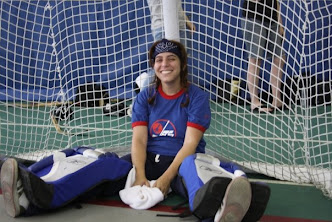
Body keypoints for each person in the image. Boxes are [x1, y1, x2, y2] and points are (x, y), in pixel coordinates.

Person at [122, 38, 270, 222]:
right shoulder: (145, 96)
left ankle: (228, 205)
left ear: (183, 64)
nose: (164, 64)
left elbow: (190, 144)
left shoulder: (197, 97)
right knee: (110, 165)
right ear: (153, 65)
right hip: (149, 161)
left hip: (181, 163)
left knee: (196, 175)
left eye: (171, 59)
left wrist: (166, 178)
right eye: (159, 60)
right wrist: (140, 174)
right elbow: (139, 141)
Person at [0, 147, 132, 217]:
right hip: (122, 167)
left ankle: (28, 198)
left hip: (123, 171)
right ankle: (27, 188)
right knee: (108, 165)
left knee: (110, 166)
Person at [241, 0, 286, 113]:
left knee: (280, 58)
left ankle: (277, 100)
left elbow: (276, 2)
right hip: (254, 18)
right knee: (255, 59)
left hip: (272, 19)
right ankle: (254, 102)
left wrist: (280, 23)